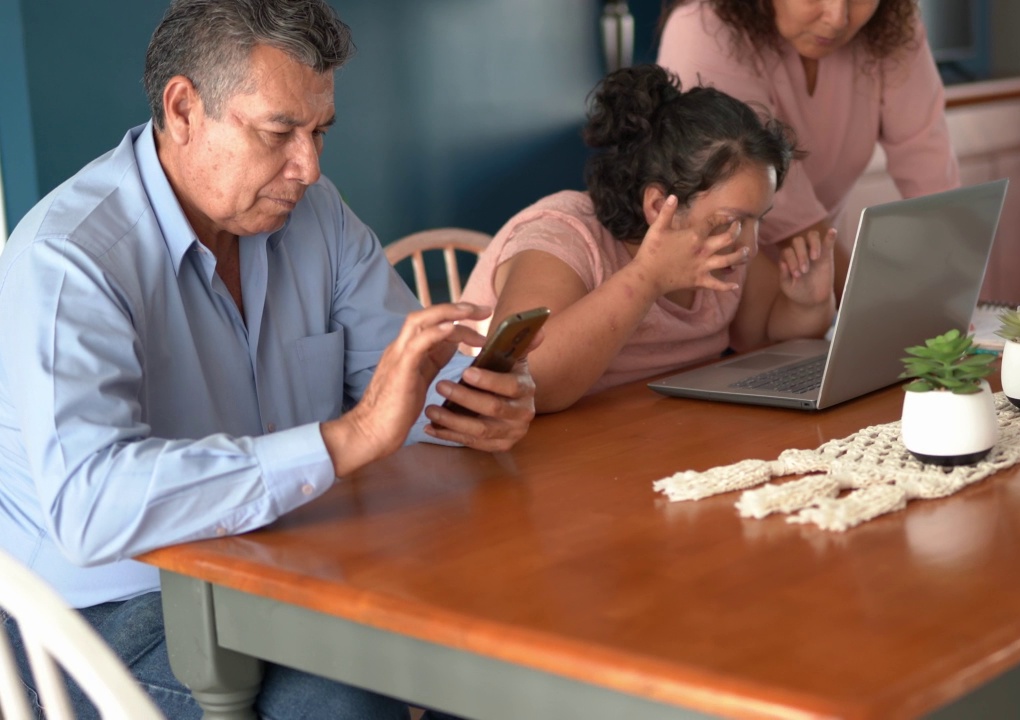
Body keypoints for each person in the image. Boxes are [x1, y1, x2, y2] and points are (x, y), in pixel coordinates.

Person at [0, 0, 535, 717]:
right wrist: (346, 438)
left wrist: (471, 401)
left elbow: (407, 382)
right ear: (184, 109)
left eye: (318, 132)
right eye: (280, 131)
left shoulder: (315, 215)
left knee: (488, 632)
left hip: (278, 562)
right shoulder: (72, 258)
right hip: (104, 612)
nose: (308, 167)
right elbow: (93, 509)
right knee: (349, 694)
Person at [458, 65, 836, 413]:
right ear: (658, 205)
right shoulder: (562, 236)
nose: (751, 246)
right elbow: (528, 381)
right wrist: (648, 278)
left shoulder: (724, 248)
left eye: (759, 220)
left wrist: (807, 305)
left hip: (651, 434)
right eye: (730, 221)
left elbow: (763, 338)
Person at [657, 0, 961, 297]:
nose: (837, 17)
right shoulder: (703, 28)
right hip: (716, 302)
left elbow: (933, 175)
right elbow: (783, 205)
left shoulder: (890, 27)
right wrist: (887, 305)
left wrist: (956, 290)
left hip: (814, 297)